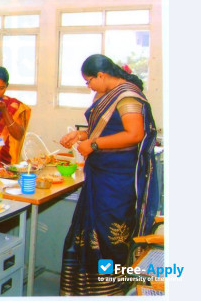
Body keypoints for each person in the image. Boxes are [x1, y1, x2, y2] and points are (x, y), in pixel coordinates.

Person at [58, 54, 159, 296]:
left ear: (101, 75)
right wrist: (82, 136)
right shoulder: (106, 94)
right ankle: (85, 289)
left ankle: (108, 291)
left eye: (89, 81)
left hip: (117, 179)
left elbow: (134, 134)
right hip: (99, 174)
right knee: (88, 231)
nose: (89, 86)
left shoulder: (127, 96)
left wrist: (93, 145)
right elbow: (104, 130)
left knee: (110, 234)